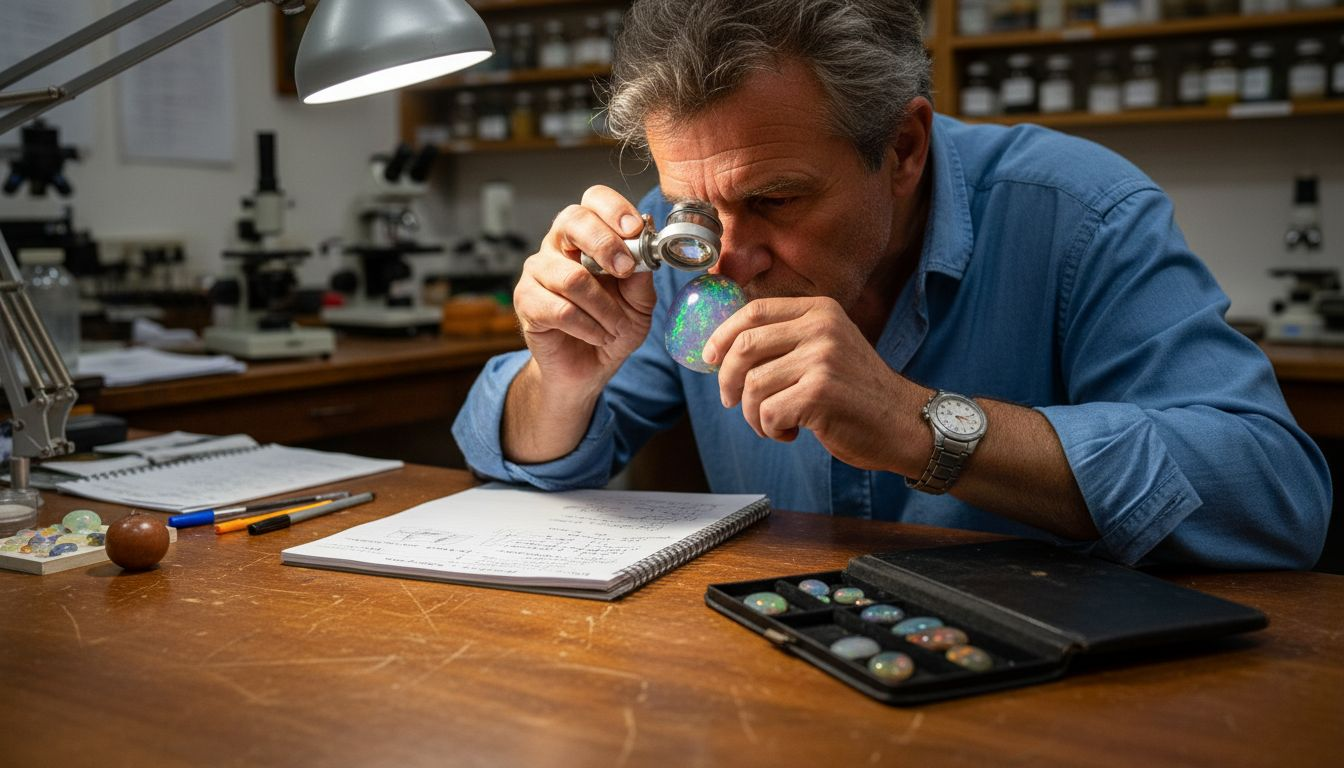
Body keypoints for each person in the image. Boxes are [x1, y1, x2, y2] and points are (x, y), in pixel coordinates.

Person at [453, 0, 1330, 569]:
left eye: (776, 199)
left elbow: (1275, 495)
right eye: (695, 205)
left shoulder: (1078, 215)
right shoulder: (689, 243)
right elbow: (535, 462)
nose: (726, 261)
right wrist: (559, 383)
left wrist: (924, 428)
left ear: (903, 148)